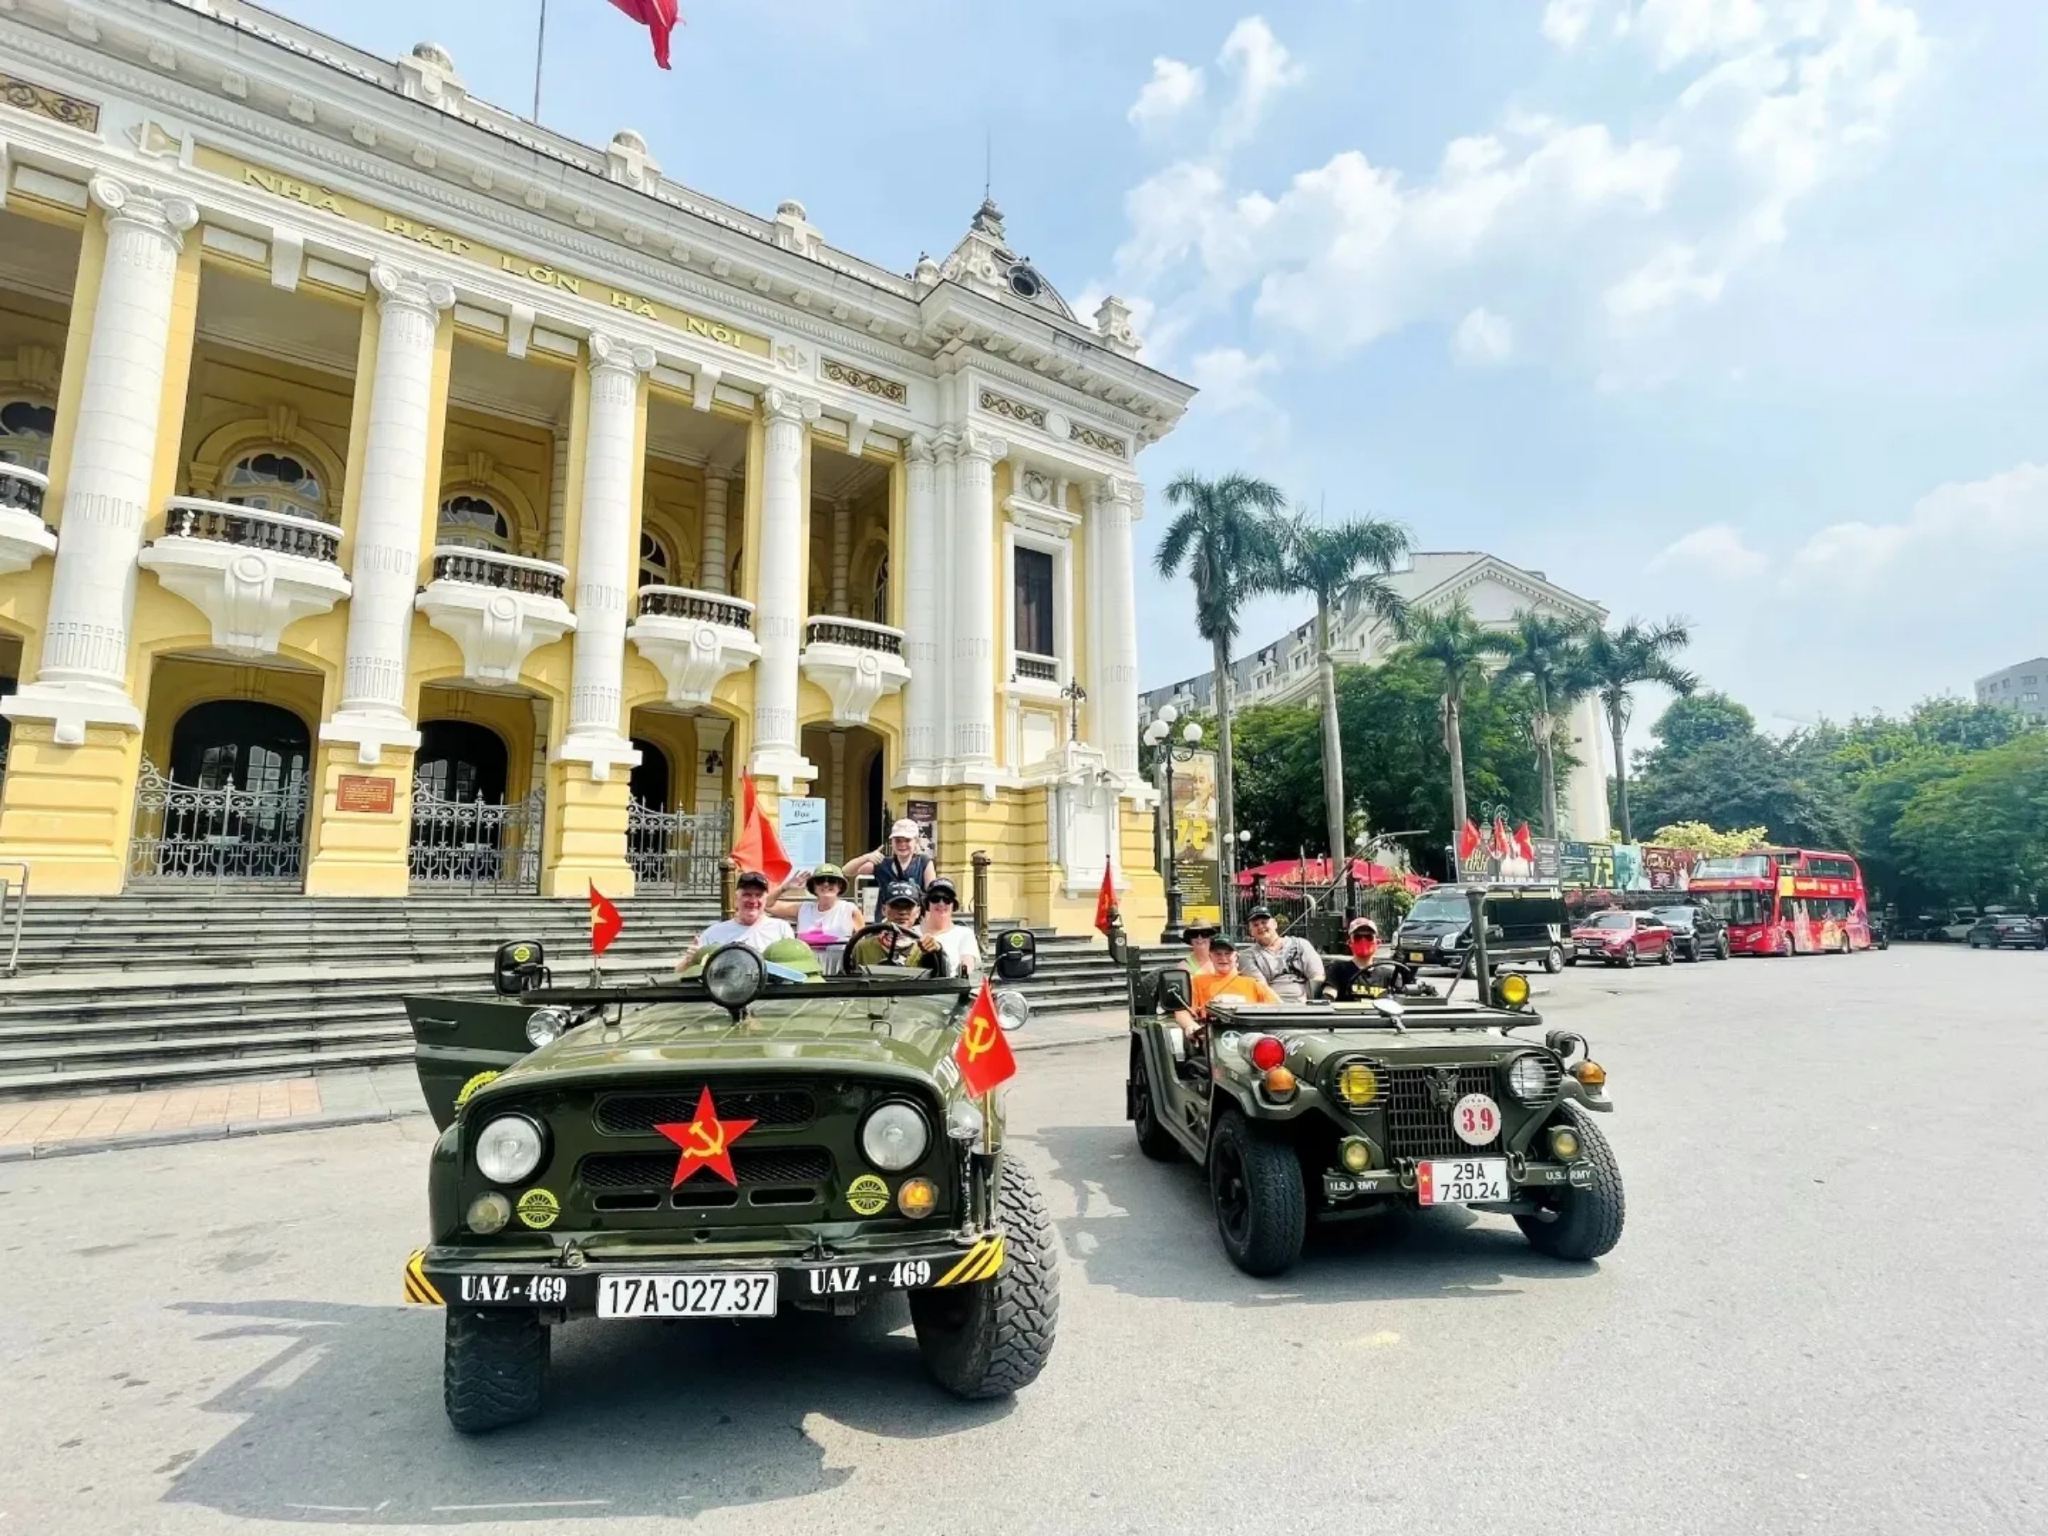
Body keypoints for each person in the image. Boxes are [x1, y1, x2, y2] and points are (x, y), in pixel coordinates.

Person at [676, 869, 796, 972]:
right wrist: (689, 962)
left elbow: (794, 968)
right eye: (747, 894)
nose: (753, 901)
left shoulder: (781, 929)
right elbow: (679, 971)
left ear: (765, 899)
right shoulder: (714, 933)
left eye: (758, 895)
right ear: (736, 897)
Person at [1171, 934, 1279, 1041]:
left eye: (1228, 953)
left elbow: (1278, 1008)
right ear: (1210, 956)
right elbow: (1182, 1011)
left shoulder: (1253, 984)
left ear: (1236, 957)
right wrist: (1191, 1026)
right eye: (1218, 954)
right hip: (1211, 1039)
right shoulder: (1197, 981)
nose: (1223, 958)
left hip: (1250, 1040)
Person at [846, 881, 948, 973]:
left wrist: (938, 953)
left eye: (908, 907)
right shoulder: (862, 948)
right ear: (884, 909)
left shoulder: (927, 947)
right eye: (895, 906)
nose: (902, 912)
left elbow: (943, 979)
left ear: (918, 912)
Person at [1321, 916, 1430, 999]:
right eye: (1358, 937)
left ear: (1377, 943)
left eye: (1368, 937)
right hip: (1349, 1023)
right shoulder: (1338, 970)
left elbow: (1401, 1001)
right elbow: (1329, 995)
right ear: (1350, 942)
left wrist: (1406, 978)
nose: (1363, 940)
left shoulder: (1390, 975)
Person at [845, 819, 936, 919]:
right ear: (892, 842)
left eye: (907, 840)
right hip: (885, 922)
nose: (902, 844)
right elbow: (847, 871)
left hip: (914, 923)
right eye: (898, 840)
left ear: (916, 841)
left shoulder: (923, 862)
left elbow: (932, 894)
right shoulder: (882, 863)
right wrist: (866, 857)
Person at [1241, 906, 1325, 1003]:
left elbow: (1317, 976)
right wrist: (1282, 1008)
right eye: (1255, 925)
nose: (1260, 927)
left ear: (1275, 924)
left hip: (1306, 1005)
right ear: (1251, 932)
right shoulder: (1247, 956)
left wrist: (1312, 1005)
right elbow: (1261, 988)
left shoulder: (1301, 944)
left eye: (1264, 922)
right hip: (1271, 1008)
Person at [770, 863, 860, 944]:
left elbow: (861, 941)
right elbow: (767, 905)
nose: (826, 884)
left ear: (840, 886)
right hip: (807, 961)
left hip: (840, 961)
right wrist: (784, 887)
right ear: (814, 886)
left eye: (832, 880)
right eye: (820, 880)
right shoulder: (803, 909)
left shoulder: (849, 909)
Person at [919, 876, 982, 979]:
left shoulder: (964, 934)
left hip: (950, 989)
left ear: (954, 905)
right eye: (935, 898)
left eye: (947, 899)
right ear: (927, 903)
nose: (941, 903)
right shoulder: (913, 932)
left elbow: (967, 968)